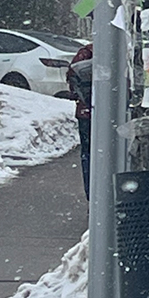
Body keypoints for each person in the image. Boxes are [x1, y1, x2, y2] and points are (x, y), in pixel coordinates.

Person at [67, 43, 93, 195]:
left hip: (86, 112)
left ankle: (91, 189)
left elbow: (72, 81)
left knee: (88, 152)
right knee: (90, 152)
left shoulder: (86, 53)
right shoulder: (87, 52)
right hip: (89, 113)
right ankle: (92, 190)